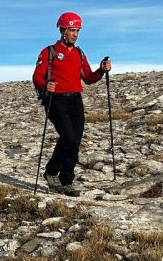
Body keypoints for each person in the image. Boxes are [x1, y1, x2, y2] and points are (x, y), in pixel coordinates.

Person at [32, 12, 112, 196]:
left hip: (76, 99)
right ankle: (51, 172)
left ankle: (66, 181)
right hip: (56, 100)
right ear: (62, 30)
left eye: (77, 30)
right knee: (68, 136)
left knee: (75, 141)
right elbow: (36, 76)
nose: (75, 34)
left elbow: (89, 78)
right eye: (71, 30)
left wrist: (101, 70)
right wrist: (46, 85)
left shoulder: (79, 53)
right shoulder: (49, 52)